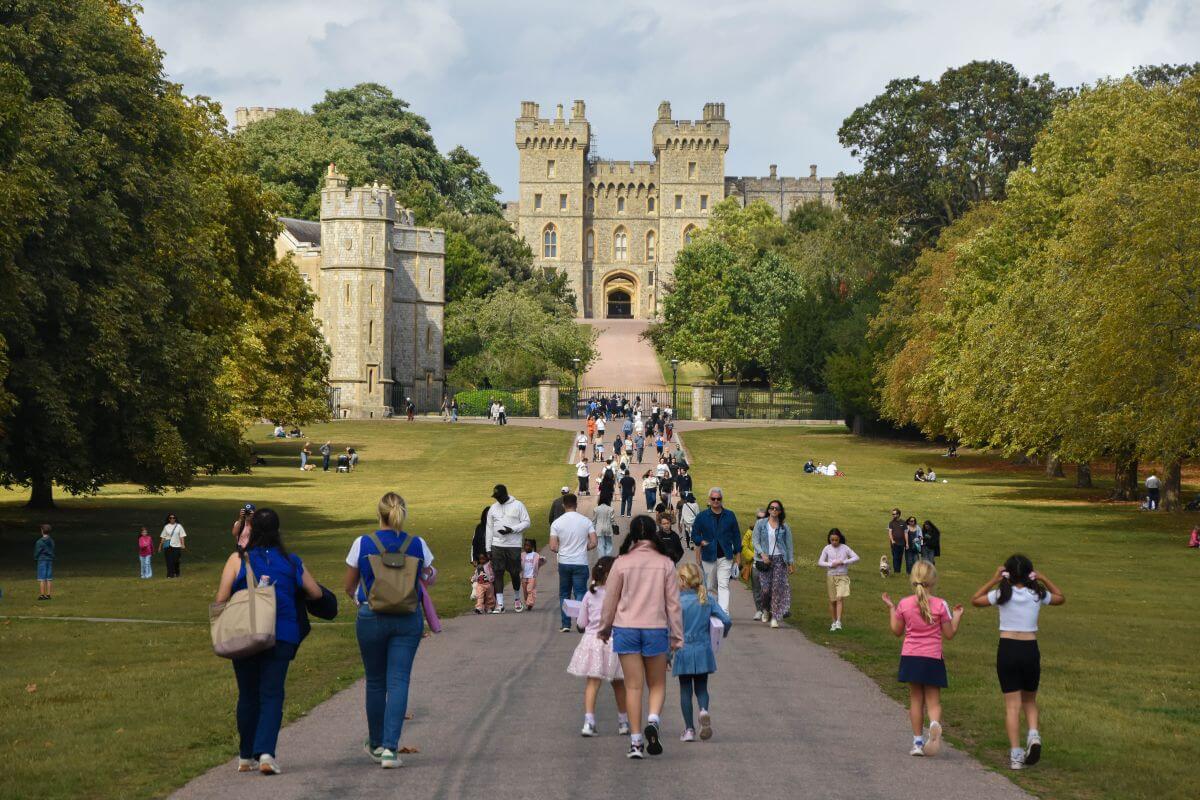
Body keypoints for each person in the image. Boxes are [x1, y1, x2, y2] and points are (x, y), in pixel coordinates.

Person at [216, 507, 328, 775]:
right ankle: (266, 753)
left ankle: (245, 756)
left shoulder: (238, 560)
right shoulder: (291, 561)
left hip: (246, 632)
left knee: (247, 694)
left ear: (251, 530)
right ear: (278, 531)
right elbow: (314, 592)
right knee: (271, 693)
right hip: (282, 634)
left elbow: (220, 599)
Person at [344, 492, 435, 769]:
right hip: (407, 617)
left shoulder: (363, 543)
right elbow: (430, 574)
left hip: (371, 616)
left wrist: (359, 598)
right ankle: (391, 749)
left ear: (379, 513)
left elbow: (349, 585)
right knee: (399, 681)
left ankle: (376, 742)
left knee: (375, 681)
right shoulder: (417, 544)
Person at [598, 516, 683, 759]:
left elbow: (610, 600)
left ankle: (636, 743)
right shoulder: (665, 563)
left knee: (633, 686)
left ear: (633, 535)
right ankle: (653, 719)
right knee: (656, 684)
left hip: (626, 629)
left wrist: (604, 628)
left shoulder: (622, 562)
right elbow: (673, 605)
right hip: (655, 628)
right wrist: (676, 636)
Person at [970, 556, 1065, 771]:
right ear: (1030, 573)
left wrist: (994, 579)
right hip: (1030, 649)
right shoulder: (1037, 594)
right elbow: (1060, 597)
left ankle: (1015, 755)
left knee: (1012, 706)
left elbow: (975, 599)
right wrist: (1043, 578)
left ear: (1008, 574)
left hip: (1008, 648)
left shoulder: (1002, 594)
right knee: (1029, 701)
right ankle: (1033, 734)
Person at [881, 560, 964, 759]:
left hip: (911, 656)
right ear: (933, 581)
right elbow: (949, 633)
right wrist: (958, 615)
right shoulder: (940, 604)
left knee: (916, 700)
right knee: (933, 701)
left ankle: (917, 742)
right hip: (933, 657)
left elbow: (896, 631)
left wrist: (892, 609)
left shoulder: (905, 603)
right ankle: (934, 724)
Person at [568, 557, 630, 737]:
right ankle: (623, 722)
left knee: (592, 683)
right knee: (619, 683)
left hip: (593, 641)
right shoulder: (618, 595)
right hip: (614, 641)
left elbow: (581, 622)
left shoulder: (589, 594)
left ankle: (589, 722)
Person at [673, 563, 732, 742]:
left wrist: (667, 655)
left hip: (683, 650)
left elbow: (669, 630)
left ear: (682, 581)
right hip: (703, 649)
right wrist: (722, 634)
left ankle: (689, 729)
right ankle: (704, 710)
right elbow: (726, 620)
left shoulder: (677, 602)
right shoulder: (706, 599)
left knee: (685, 690)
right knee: (701, 687)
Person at [550, 493, 597, 632]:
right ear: (576, 504)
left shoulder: (557, 523)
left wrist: (563, 550)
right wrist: (584, 548)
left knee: (564, 593)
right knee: (580, 591)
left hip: (564, 561)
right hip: (580, 561)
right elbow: (594, 542)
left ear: (563, 505)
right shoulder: (586, 521)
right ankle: (581, 622)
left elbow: (552, 546)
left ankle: (566, 624)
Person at [692, 487, 741, 613]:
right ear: (709, 500)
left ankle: (724, 612)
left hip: (726, 556)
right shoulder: (702, 516)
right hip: (708, 556)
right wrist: (701, 541)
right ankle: (712, 610)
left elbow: (736, 536)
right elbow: (695, 534)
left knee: (723, 585)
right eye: (713, 499)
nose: (716, 501)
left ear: (721, 500)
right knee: (709, 586)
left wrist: (738, 555)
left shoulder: (730, 515)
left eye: (718, 499)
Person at [485, 485, 531, 613]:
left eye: (499, 497)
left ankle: (517, 599)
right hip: (497, 545)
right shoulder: (493, 508)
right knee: (498, 573)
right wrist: (488, 548)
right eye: (496, 497)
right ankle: (500, 604)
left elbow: (527, 522)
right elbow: (489, 528)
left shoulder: (518, 505)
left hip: (513, 545)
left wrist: (512, 529)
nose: (498, 500)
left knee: (514, 573)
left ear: (505, 495)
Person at [753, 500, 795, 628]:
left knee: (777, 588)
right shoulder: (761, 523)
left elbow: (789, 545)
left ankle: (775, 617)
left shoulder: (784, 526)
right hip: (764, 559)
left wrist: (790, 563)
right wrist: (762, 554)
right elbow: (755, 540)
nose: (774, 510)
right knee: (765, 589)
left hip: (779, 559)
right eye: (772, 508)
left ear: (780, 511)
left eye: (777, 508)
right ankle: (766, 609)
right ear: (768, 510)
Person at [818, 528, 860, 632]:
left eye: (836, 540)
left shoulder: (845, 548)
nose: (834, 542)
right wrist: (831, 564)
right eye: (832, 540)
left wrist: (844, 562)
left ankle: (838, 622)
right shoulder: (827, 548)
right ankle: (833, 621)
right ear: (829, 539)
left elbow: (856, 557)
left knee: (839, 598)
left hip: (842, 576)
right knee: (832, 601)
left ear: (840, 539)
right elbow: (820, 562)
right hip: (831, 576)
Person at [741, 511, 763, 619]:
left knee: (768, 589)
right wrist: (753, 556)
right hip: (754, 564)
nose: (760, 520)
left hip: (768, 565)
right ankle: (759, 610)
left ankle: (768, 610)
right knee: (756, 588)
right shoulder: (750, 532)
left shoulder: (771, 531)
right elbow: (744, 546)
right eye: (758, 517)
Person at [520, 538, 546, 611]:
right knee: (525, 592)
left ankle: (530, 604)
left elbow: (541, 562)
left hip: (532, 576)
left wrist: (542, 560)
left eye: (528, 546)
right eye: (525, 545)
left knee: (530, 590)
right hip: (524, 576)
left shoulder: (535, 555)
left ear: (532, 547)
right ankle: (527, 602)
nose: (526, 547)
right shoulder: (522, 555)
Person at [159, 513, 187, 578]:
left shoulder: (179, 526)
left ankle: (177, 572)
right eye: (170, 518)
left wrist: (183, 544)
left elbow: (182, 536)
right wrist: (160, 546)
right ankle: (170, 574)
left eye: (173, 518)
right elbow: (163, 537)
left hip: (177, 546)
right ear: (168, 519)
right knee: (169, 561)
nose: (172, 519)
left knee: (176, 560)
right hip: (168, 546)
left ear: (175, 519)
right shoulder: (166, 527)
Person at [35, 524, 54, 600]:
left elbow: (37, 551)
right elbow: (52, 549)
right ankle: (48, 595)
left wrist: (36, 557)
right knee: (49, 577)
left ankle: (42, 595)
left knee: (42, 578)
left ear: (42, 531)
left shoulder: (39, 542)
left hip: (42, 560)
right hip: (49, 559)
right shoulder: (51, 541)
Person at [887, 508, 905, 576]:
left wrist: (906, 543)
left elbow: (905, 533)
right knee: (895, 557)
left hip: (902, 543)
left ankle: (898, 571)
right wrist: (892, 540)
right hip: (894, 543)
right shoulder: (891, 523)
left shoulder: (903, 522)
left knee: (900, 557)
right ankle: (896, 571)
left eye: (894, 514)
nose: (893, 515)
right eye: (892, 514)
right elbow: (890, 532)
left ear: (898, 514)